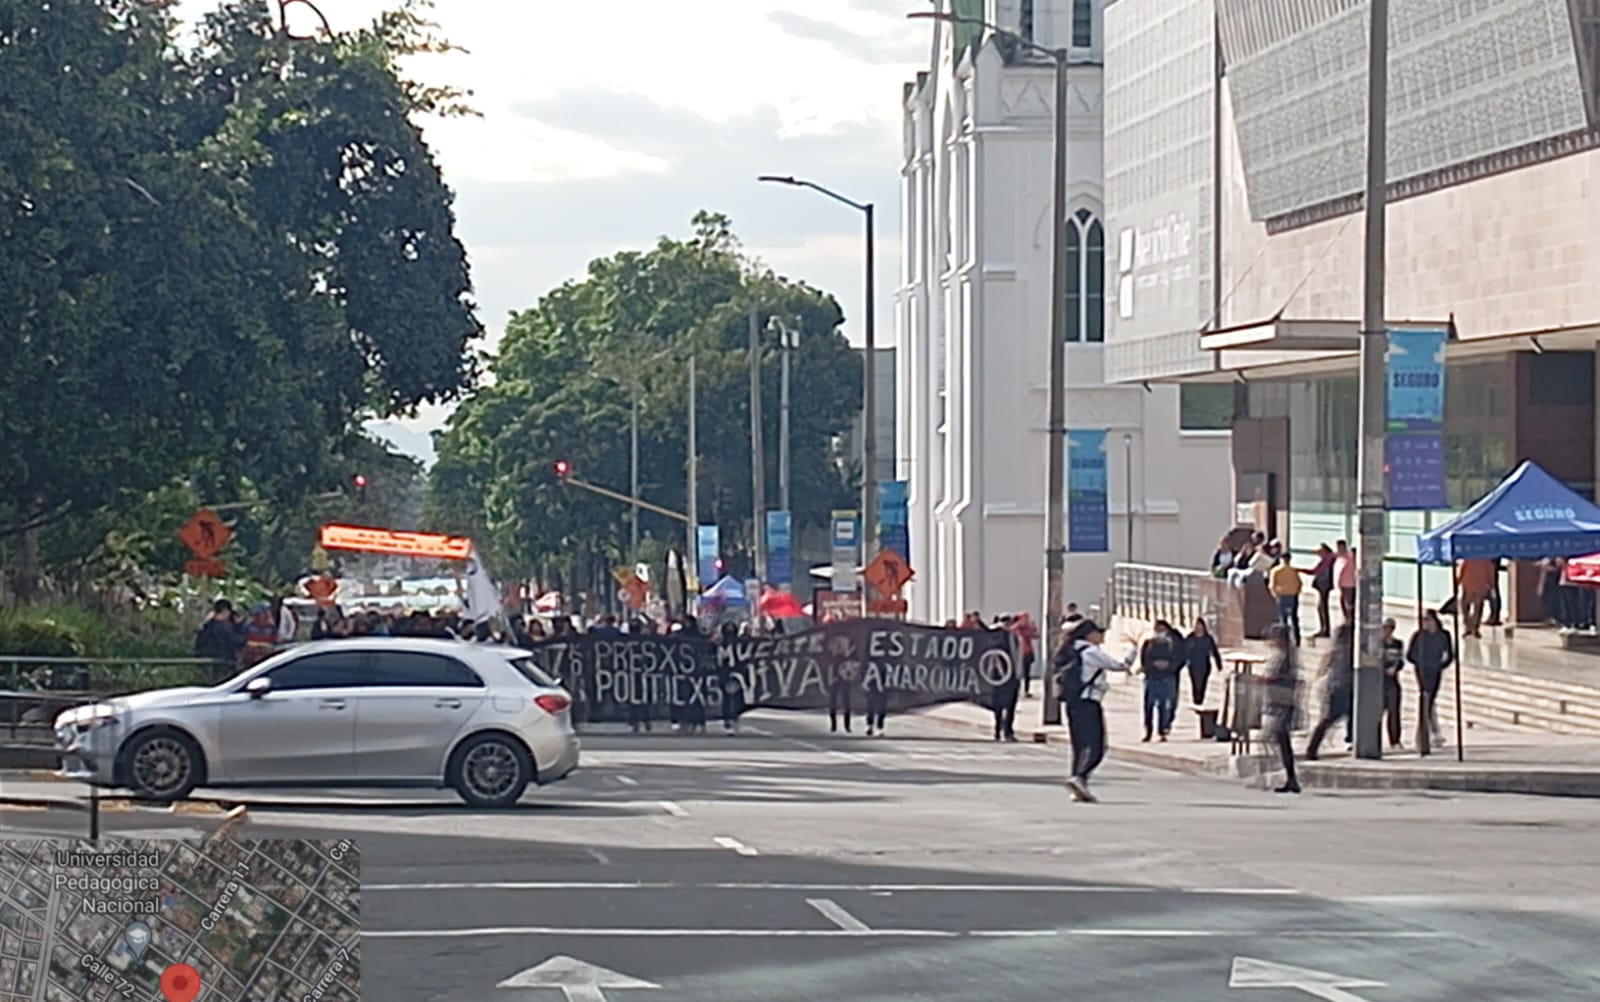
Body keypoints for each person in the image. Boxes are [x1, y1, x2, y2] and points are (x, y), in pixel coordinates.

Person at [1055, 619, 1136, 802]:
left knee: (1079, 746)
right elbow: (1120, 665)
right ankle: (1080, 777)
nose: (1102, 635)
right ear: (1089, 634)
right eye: (1099, 632)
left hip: (1073, 702)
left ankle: (1077, 783)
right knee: (1096, 746)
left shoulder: (1070, 650)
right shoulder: (1091, 652)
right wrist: (1134, 650)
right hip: (1089, 702)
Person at [1256, 624, 1301, 794]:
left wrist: (1262, 679)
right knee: (1281, 742)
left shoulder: (1282, 657)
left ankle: (1285, 776)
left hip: (1280, 703)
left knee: (1276, 740)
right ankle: (1289, 777)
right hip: (1279, 702)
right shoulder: (1285, 656)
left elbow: (1273, 676)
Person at [1406, 609, 1455, 756]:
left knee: (1431, 699)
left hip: (1436, 670)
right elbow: (1410, 654)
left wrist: (1441, 664)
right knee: (1426, 698)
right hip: (1422, 670)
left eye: (1428, 620)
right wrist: (1421, 662)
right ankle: (1428, 732)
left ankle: (1432, 730)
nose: (1425, 623)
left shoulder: (1443, 635)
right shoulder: (1419, 636)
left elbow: (1450, 654)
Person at [1305, 621, 1355, 760]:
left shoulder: (1336, 650)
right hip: (1341, 686)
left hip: (1338, 686)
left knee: (1330, 719)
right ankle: (1312, 748)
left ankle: (1313, 748)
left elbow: (1324, 665)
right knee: (1331, 718)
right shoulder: (1345, 651)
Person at [1139, 620, 1184, 742]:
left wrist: (1169, 667)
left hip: (1166, 677)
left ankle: (1162, 730)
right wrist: (1152, 666)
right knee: (1149, 706)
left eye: (1162, 630)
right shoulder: (1148, 643)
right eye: (1158, 630)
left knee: (1164, 706)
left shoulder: (1172, 644)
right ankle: (1148, 730)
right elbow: (1144, 660)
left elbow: (1179, 659)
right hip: (1151, 678)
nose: (1160, 632)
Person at [193, 599, 244, 670]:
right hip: (219, 659)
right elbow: (235, 640)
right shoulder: (219, 626)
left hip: (210, 658)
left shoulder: (209, 625)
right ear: (225, 612)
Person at [1184, 617, 1223, 706]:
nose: (1198, 628)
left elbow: (1214, 651)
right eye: (1196, 625)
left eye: (1200, 626)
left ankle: (1200, 697)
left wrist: (1219, 664)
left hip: (1204, 664)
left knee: (1203, 682)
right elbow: (1183, 649)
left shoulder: (1207, 638)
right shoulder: (1190, 637)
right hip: (1193, 664)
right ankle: (1195, 698)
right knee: (1194, 681)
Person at [1380, 617, 1406, 750]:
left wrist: (1395, 668)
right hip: (1379, 680)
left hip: (1392, 679)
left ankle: (1395, 740)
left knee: (1394, 711)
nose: (1387, 631)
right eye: (1385, 628)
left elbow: (1400, 660)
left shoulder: (1397, 644)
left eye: (1389, 628)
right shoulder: (1378, 644)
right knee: (1377, 712)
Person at [1268, 553, 1303, 645]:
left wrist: (1275, 594)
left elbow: (1272, 585)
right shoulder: (1293, 571)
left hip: (1282, 595)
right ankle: (1297, 640)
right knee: (1294, 618)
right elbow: (1299, 583)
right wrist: (1297, 592)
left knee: (1283, 619)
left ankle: (1284, 640)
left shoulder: (1276, 571)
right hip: (1293, 595)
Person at [1309, 543, 1336, 638]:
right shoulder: (1327, 559)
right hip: (1323, 585)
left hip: (1324, 585)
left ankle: (1325, 629)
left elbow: (1315, 571)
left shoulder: (1328, 560)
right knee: (1321, 607)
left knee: (1322, 607)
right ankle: (1324, 628)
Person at [1333, 540, 1357, 620]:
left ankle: (1349, 619)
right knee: (1343, 602)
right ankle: (1347, 618)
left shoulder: (1348, 557)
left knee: (1348, 603)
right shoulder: (1340, 557)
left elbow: (1340, 571)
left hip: (1349, 583)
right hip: (1343, 584)